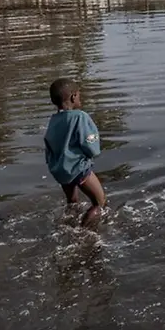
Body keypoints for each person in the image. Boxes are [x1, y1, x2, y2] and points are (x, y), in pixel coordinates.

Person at [44, 78, 106, 228]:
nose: (80, 99)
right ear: (73, 97)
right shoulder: (80, 116)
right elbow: (91, 146)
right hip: (79, 168)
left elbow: (49, 144)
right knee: (100, 204)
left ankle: (68, 226)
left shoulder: (54, 120)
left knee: (72, 202)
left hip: (60, 170)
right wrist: (92, 153)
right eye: (79, 95)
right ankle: (83, 232)